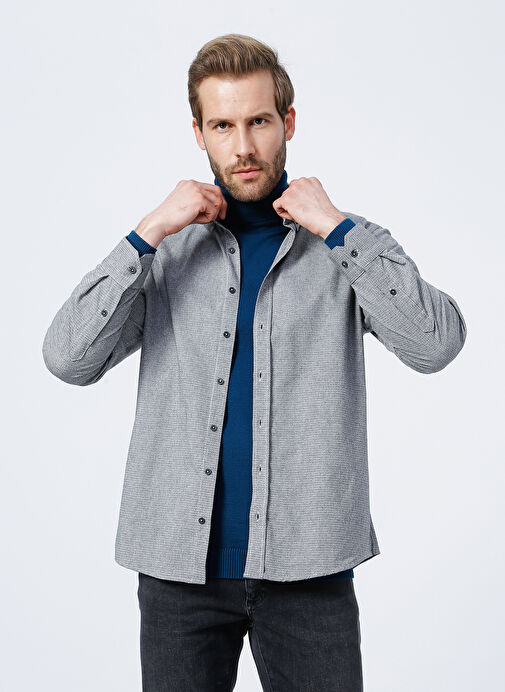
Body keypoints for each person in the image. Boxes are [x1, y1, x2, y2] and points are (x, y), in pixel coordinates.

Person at [42, 32, 467, 692]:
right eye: (222, 125)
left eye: (258, 122)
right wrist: (147, 233)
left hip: (310, 570)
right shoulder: (166, 252)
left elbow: (435, 344)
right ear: (199, 134)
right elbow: (67, 358)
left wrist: (339, 230)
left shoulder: (345, 244)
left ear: (287, 122)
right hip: (178, 576)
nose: (242, 146)